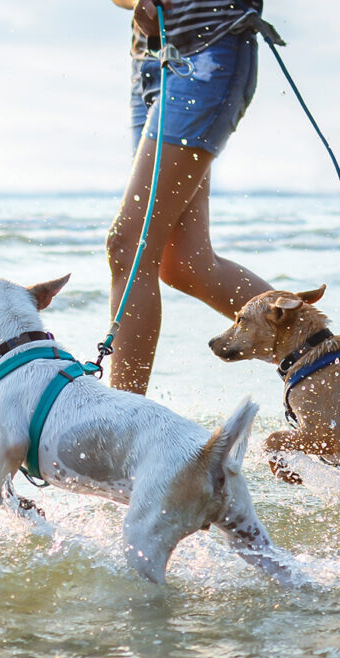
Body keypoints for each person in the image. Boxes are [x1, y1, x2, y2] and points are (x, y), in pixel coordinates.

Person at [106, 0, 273, 394]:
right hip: (151, 64)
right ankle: (335, 365)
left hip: (211, 49)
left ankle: (118, 424)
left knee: (127, 246)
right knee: (185, 264)